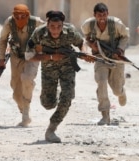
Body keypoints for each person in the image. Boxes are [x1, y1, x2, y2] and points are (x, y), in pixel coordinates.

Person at [25, 10, 93, 143]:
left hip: (67, 66)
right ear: (47, 24)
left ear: (63, 25)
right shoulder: (39, 33)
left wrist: (85, 52)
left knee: (67, 97)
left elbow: (81, 42)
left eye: (59, 27)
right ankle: (53, 95)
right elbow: (29, 56)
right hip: (49, 68)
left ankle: (51, 129)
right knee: (48, 104)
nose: (55, 30)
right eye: (52, 27)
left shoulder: (70, 31)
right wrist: (50, 56)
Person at [81, 3, 130, 125]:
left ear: (108, 14)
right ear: (94, 15)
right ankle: (105, 114)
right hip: (99, 57)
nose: (102, 18)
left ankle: (122, 93)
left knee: (116, 90)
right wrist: (91, 44)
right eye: (99, 15)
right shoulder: (88, 25)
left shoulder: (116, 24)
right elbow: (86, 37)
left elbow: (125, 36)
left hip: (116, 58)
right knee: (101, 82)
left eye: (104, 15)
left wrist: (119, 50)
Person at [0, 4, 45, 126]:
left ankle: (26, 115)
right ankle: (23, 109)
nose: (19, 18)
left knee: (27, 79)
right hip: (16, 56)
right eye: (17, 15)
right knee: (16, 89)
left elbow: (50, 33)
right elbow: (2, 40)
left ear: (28, 15)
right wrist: (1, 58)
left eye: (23, 16)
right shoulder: (10, 22)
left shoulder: (36, 22)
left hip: (32, 56)